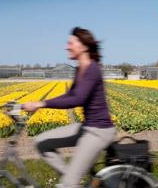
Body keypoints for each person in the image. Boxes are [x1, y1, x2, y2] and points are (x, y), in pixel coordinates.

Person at [22, 27, 116, 187]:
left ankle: (71, 182)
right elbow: (69, 95)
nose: (67, 46)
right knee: (41, 142)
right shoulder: (80, 68)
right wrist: (38, 103)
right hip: (87, 127)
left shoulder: (92, 69)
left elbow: (78, 99)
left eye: (71, 43)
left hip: (99, 131)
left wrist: (42, 104)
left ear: (84, 46)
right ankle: (72, 180)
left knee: (68, 184)